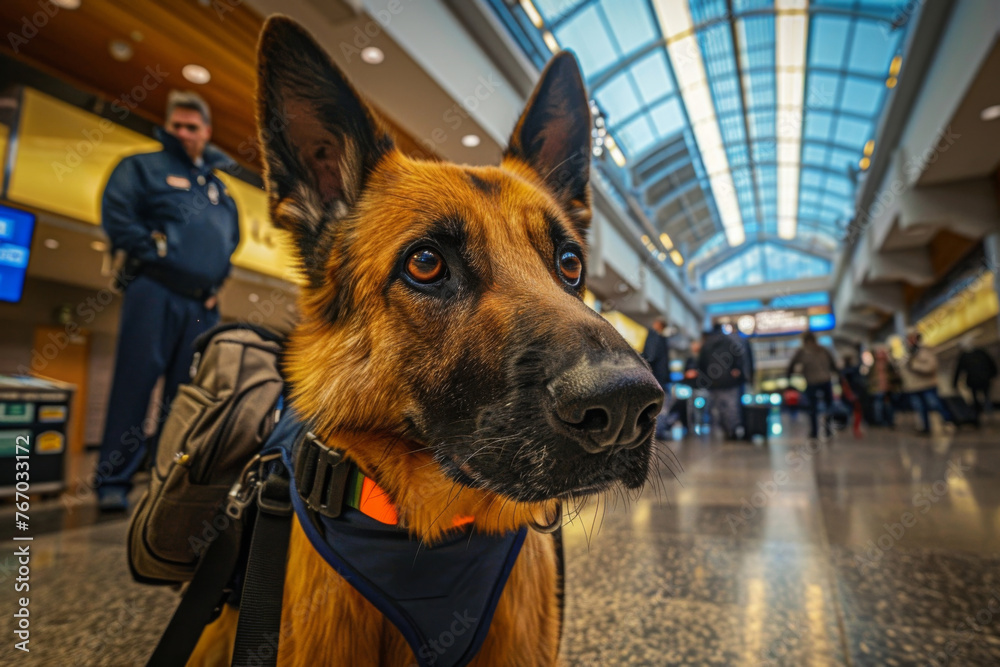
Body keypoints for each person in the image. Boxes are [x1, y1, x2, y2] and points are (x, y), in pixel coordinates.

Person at [96, 91, 241, 510]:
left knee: (188, 395)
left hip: (201, 306)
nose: (182, 132)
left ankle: (165, 478)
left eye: (191, 127)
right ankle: (113, 484)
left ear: (206, 133)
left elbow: (230, 242)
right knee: (134, 385)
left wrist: (216, 283)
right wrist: (157, 250)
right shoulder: (142, 167)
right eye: (176, 125)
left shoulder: (219, 188)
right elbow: (117, 214)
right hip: (154, 291)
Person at [697, 323, 751, 440]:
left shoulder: (706, 345)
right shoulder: (730, 341)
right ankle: (733, 429)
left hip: (713, 382)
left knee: (718, 408)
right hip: (730, 381)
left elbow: (701, 364)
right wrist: (737, 371)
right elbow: (739, 357)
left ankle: (726, 430)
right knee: (731, 407)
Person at [786, 332, 838, 441]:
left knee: (812, 409)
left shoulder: (802, 351)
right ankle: (828, 431)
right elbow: (833, 364)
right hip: (825, 380)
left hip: (812, 382)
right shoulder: (823, 349)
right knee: (828, 406)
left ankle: (814, 432)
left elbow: (791, 365)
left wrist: (788, 379)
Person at [899, 329, 951, 434]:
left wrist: (915, 366)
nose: (910, 341)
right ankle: (925, 427)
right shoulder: (906, 355)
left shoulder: (925, 351)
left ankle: (948, 422)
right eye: (909, 338)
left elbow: (931, 367)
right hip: (913, 387)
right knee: (920, 409)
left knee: (936, 404)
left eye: (913, 338)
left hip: (927, 384)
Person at [953, 338, 998, 425]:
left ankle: (982, 416)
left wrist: (954, 384)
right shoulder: (980, 353)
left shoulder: (965, 356)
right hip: (980, 380)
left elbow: (958, 371)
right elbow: (990, 363)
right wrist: (993, 374)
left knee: (981, 398)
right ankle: (986, 415)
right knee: (985, 397)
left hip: (976, 381)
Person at [641, 318, 671, 439]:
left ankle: (656, 431)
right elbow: (651, 356)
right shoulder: (658, 338)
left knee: (658, 406)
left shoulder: (655, 337)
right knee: (662, 406)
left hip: (656, 377)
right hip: (659, 378)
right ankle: (659, 431)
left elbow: (649, 356)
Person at [867, 345, 899, 428]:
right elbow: (869, 377)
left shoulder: (889, 364)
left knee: (888, 406)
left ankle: (889, 421)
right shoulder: (873, 365)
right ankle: (879, 421)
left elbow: (895, 376)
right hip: (877, 388)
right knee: (878, 406)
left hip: (888, 388)